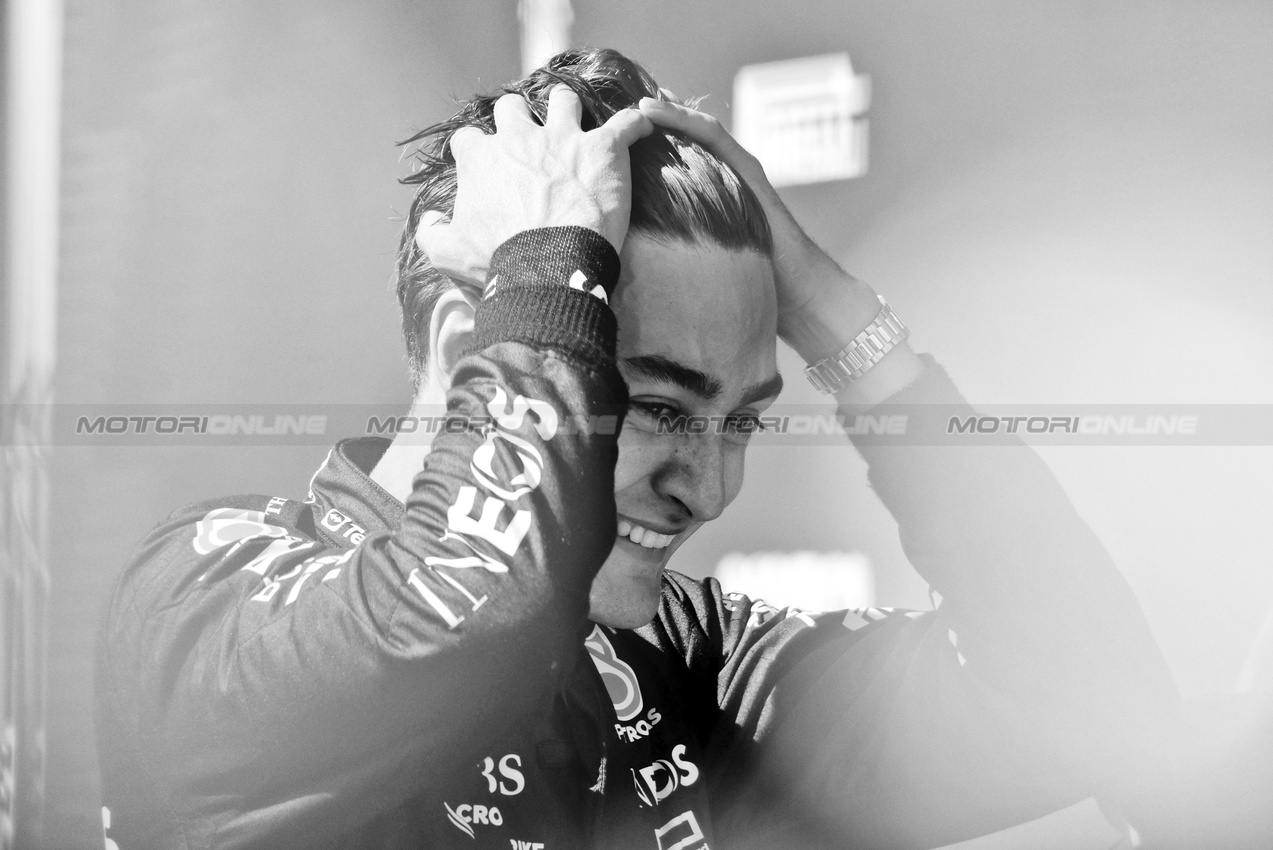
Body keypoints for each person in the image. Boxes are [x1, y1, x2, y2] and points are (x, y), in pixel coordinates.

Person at [95, 48, 1180, 849]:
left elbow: (1085, 692)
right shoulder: (203, 604)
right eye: (656, 406)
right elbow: (464, 615)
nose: (709, 486)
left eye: (741, 420)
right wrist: (552, 270)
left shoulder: (679, 657)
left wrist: (844, 326)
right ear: (475, 343)